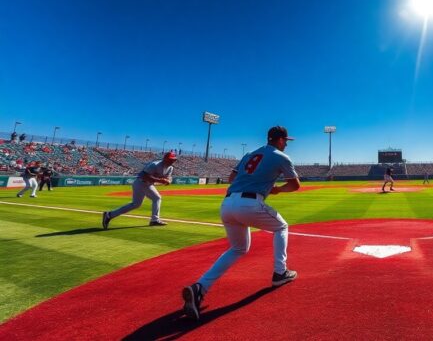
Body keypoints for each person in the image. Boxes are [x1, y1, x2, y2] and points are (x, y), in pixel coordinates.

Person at [182, 126, 300, 321]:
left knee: (238, 248)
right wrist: (277, 190)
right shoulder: (281, 156)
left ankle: (200, 288)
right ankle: (280, 272)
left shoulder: (249, 154)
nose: (286, 143)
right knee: (282, 227)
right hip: (249, 203)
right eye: (285, 140)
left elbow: (231, 178)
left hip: (227, 204)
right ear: (279, 140)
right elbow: (295, 185)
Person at [102, 151, 177, 229]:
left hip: (148, 184)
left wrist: (168, 181)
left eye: (173, 159)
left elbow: (168, 178)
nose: (172, 161)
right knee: (155, 198)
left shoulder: (170, 168)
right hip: (140, 183)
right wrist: (161, 181)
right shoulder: (155, 165)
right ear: (165, 159)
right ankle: (154, 220)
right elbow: (144, 176)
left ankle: (109, 215)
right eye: (170, 159)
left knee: (137, 204)